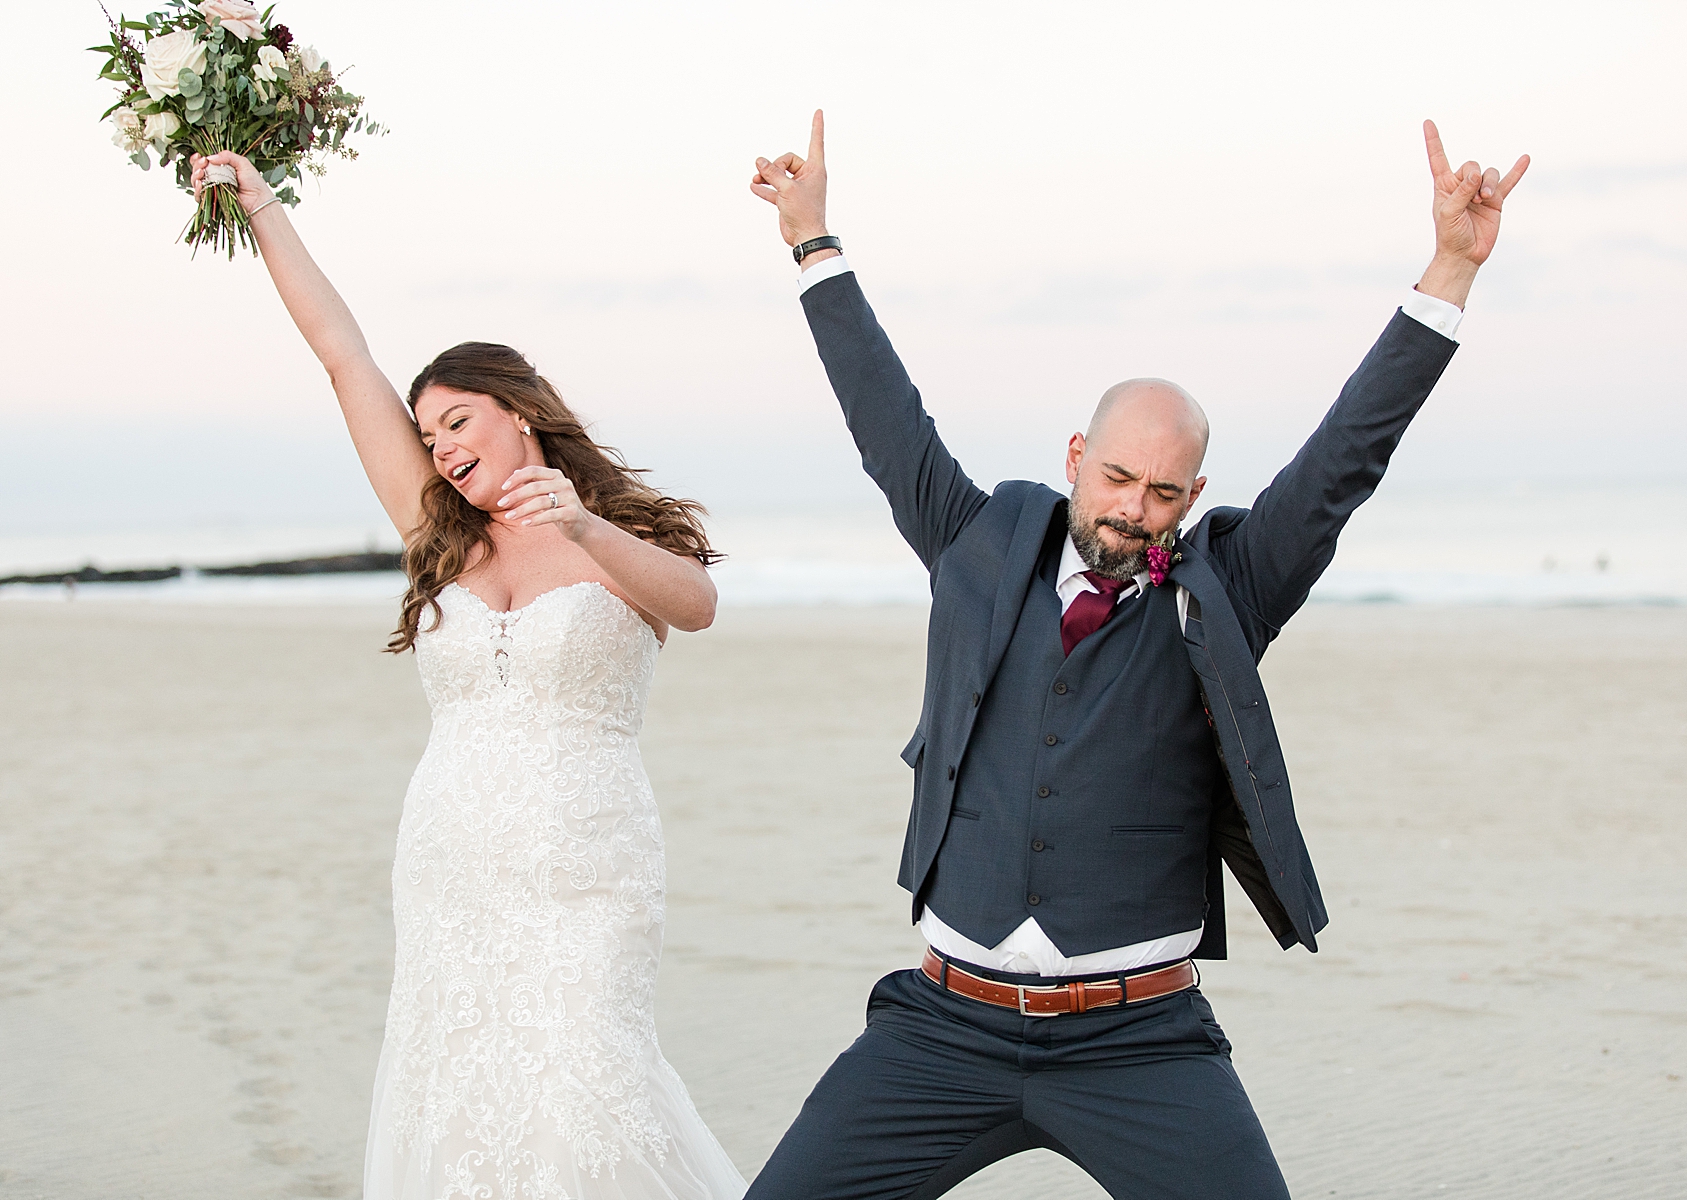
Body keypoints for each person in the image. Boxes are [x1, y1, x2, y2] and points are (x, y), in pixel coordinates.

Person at [743, 114, 1528, 1198]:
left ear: (1194, 498)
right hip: (944, 1028)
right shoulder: (973, 545)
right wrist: (812, 239)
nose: (1132, 511)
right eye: (1116, 479)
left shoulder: (1231, 586)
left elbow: (1349, 453)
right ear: (1076, 457)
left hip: (1139, 1043)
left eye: (1164, 494)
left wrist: (1448, 268)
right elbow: (886, 416)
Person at [190, 151, 748, 1200]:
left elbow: (697, 605)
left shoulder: (614, 532)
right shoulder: (438, 533)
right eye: (430, 432)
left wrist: (582, 526)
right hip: (451, 860)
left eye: (459, 422)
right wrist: (258, 200)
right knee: (458, 1099)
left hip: (589, 867)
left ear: (519, 412)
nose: (441, 448)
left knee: (589, 1094)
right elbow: (341, 355)